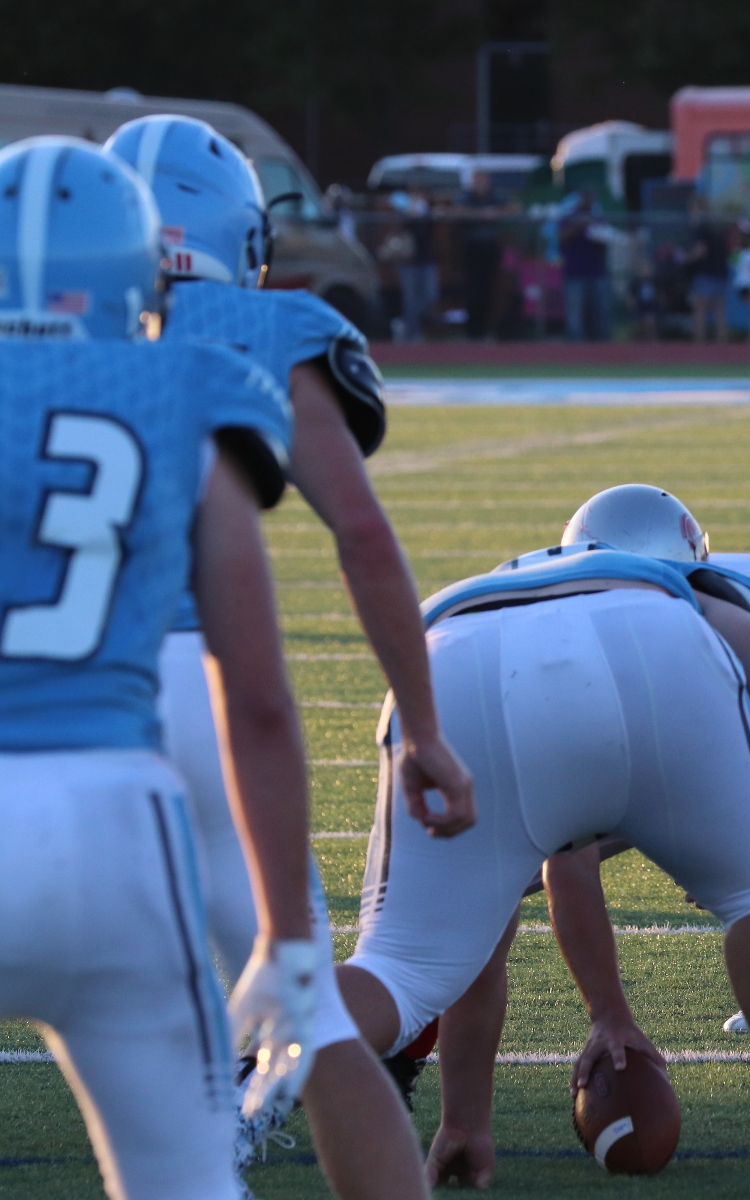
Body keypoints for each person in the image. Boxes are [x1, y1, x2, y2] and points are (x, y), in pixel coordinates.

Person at [107, 113, 475, 1198]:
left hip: (53, 714)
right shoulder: (271, 329)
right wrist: (424, 729)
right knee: (308, 1007)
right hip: (200, 697)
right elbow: (360, 533)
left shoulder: (36, 337)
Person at [331, 543, 750, 1200]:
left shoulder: (525, 579)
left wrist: (466, 1117)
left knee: (400, 966)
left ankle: (236, 1095)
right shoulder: (698, 586)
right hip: (653, 649)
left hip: (450, 660)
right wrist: (727, 819)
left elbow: (534, 891)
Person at [418, 487, 750, 1178]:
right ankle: (389, 1071)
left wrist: (748, 833)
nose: (624, 615)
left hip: (724, 749)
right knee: (477, 897)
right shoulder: (563, 649)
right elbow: (564, 861)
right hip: (556, 727)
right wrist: (610, 1016)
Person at [0, 136, 313, 1200]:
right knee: (183, 1183)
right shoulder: (187, 384)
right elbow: (259, 697)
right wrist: (287, 930)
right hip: (111, 830)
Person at [457, 171, 507, 341]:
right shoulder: (467, 197)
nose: (480, 184)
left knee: (489, 290)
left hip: (490, 250)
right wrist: (480, 214)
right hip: (470, 250)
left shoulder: (494, 196)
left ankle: (486, 332)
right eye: (477, 180)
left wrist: (494, 212)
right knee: (472, 291)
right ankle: (471, 332)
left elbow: (514, 207)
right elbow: (458, 211)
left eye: (483, 180)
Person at [559, 189, 613, 342]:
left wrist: (599, 235)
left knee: (603, 310)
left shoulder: (598, 217)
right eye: (586, 198)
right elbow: (562, 237)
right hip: (574, 272)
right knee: (574, 314)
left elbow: (607, 241)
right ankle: (577, 349)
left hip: (597, 271)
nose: (589, 201)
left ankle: (605, 347)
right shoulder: (570, 215)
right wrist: (578, 225)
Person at [687, 202, 732, 343]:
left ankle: (699, 344)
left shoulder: (702, 228)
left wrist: (686, 260)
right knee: (718, 310)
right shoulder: (718, 229)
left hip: (706, 273)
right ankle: (722, 344)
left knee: (699, 308)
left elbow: (700, 251)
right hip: (721, 273)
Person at [397, 186, 437, 341]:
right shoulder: (404, 210)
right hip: (409, 261)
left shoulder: (428, 210)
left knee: (430, 296)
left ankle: (404, 324)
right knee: (410, 299)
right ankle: (412, 332)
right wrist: (410, 210)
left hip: (427, 260)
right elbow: (405, 225)